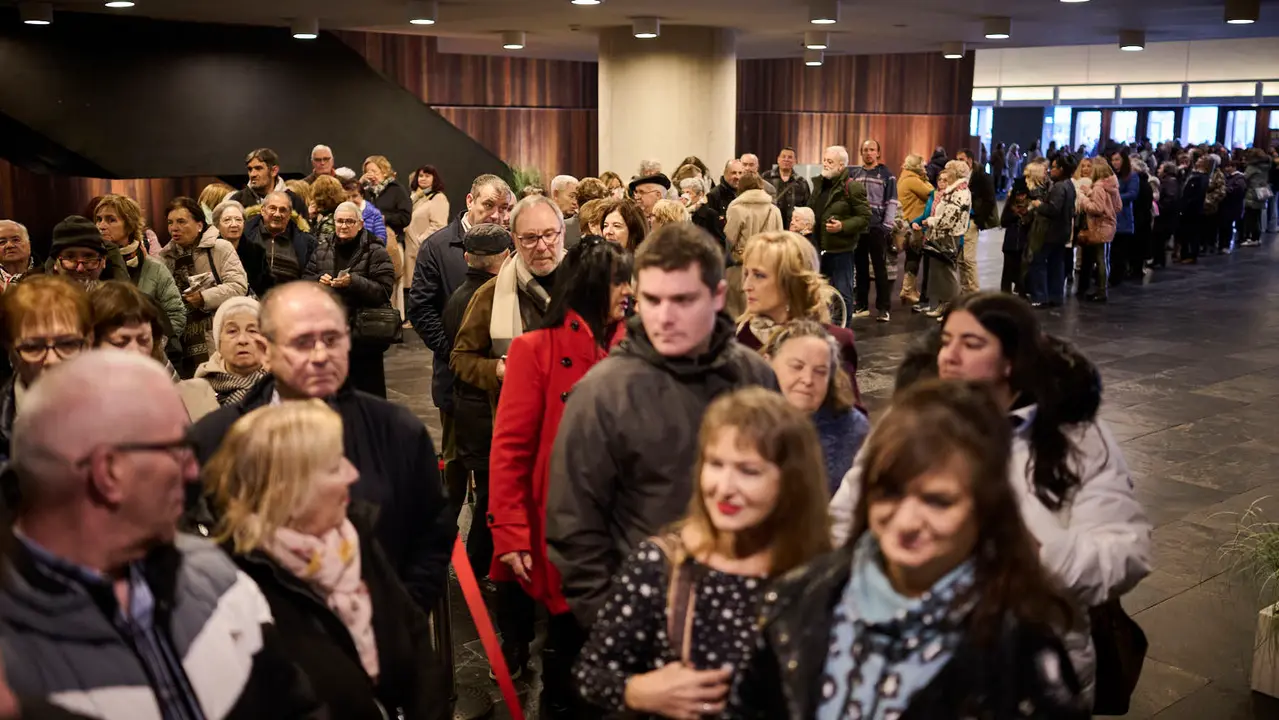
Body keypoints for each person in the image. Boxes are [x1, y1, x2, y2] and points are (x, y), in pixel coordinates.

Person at [832, 292, 1152, 703]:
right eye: (946, 340)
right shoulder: (910, 421)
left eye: (972, 344)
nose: (949, 355)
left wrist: (1034, 558)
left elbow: (1127, 551)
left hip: (1032, 668)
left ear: (1011, 362)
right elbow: (843, 517)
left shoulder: (1073, 435)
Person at [0, 350, 324, 719]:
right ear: (109, 472)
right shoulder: (13, 663)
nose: (191, 472)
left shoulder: (218, 583)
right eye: (177, 449)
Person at [756, 380, 1087, 720]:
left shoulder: (1023, 653)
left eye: (937, 501)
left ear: (985, 509)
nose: (907, 521)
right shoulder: (799, 597)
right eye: (889, 493)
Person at [546, 223, 778, 628]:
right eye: (651, 300)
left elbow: (783, 494)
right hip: (646, 620)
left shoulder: (756, 376)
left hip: (748, 613)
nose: (664, 317)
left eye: (683, 300)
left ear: (719, 296)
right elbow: (574, 527)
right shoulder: (602, 394)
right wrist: (619, 634)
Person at [190, 282, 455, 614]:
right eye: (301, 342)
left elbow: (431, 528)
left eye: (332, 340)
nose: (319, 356)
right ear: (266, 350)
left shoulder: (396, 430)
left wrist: (403, 613)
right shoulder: (217, 436)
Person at [574, 386, 829, 718]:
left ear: (792, 482)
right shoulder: (662, 566)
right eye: (715, 463)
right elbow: (590, 674)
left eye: (748, 471)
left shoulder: (822, 576)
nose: (723, 488)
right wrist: (635, 691)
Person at [205, 401, 446, 720]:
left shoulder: (351, 536)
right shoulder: (239, 589)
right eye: (334, 467)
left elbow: (414, 639)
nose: (352, 474)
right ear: (286, 491)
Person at [488, 239, 633, 717]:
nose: (628, 291)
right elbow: (510, 448)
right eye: (619, 280)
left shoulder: (638, 347)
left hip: (631, 528)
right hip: (564, 527)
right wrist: (510, 532)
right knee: (567, 656)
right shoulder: (536, 349)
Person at [409, 174, 514, 458]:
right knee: (456, 463)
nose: (496, 214)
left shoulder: (512, 246)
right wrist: (455, 353)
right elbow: (420, 308)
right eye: (489, 205)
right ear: (470, 200)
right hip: (454, 379)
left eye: (504, 208)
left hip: (504, 379)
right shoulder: (438, 247)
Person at [440, 224, 511, 587]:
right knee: (488, 495)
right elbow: (464, 357)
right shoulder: (487, 297)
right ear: (503, 258)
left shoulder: (458, 295)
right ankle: (478, 564)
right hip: (482, 407)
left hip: (467, 406)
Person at [735, 231, 862, 405]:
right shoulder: (738, 340)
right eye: (746, 274)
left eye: (759, 275)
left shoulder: (834, 342)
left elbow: (851, 420)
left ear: (792, 282)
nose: (746, 286)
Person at [761, 320, 869, 496]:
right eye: (797, 367)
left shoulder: (853, 429)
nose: (808, 379)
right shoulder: (742, 421)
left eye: (820, 371)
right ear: (768, 363)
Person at [88, 280, 219, 421]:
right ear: (92, 344)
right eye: (120, 343)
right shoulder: (78, 405)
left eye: (143, 340)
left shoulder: (189, 393)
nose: (135, 351)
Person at [0, 276, 92, 473]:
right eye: (33, 347)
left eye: (67, 344)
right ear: (10, 349)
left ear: (87, 343)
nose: (51, 360)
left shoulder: (121, 417)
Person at [304, 202, 396, 398]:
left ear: (360, 224)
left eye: (349, 221)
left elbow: (384, 290)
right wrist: (317, 282)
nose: (343, 226)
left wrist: (354, 282)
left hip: (365, 336)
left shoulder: (375, 250)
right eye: (339, 221)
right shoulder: (322, 248)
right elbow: (305, 282)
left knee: (367, 397)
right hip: (330, 335)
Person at [157, 197, 250, 376]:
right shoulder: (163, 258)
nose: (174, 228)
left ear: (199, 225)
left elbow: (239, 286)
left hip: (218, 333)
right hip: (182, 341)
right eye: (170, 222)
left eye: (181, 222)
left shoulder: (220, 248)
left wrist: (204, 298)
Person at [91, 195, 187, 342]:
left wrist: (151, 346)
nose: (102, 226)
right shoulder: (90, 268)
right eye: (99, 219)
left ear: (129, 225)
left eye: (111, 220)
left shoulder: (154, 268)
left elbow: (176, 314)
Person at [810, 145, 871, 320]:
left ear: (841, 166)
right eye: (824, 160)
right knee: (819, 294)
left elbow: (865, 217)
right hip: (818, 248)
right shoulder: (819, 185)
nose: (825, 164)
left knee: (843, 294)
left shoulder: (852, 188)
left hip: (841, 251)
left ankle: (844, 331)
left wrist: (842, 226)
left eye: (830, 162)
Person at [847, 140, 899, 322]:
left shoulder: (887, 175)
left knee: (879, 269)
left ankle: (883, 308)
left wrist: (887, 226)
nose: (868, 153)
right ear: (861, 153)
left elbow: (892, 201)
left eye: (872, 150)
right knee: (860, 269)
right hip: (858, 228)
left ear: (878, 153)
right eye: (865, 150)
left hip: (877, 228)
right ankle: (861, 305)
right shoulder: (854, 174)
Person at [912, 162, 970, 318]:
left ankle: (954, 311)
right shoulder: (952, 191)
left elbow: (948, 220)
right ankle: (943, 306)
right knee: (939, 275)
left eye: (949, 171)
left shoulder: (960, 193)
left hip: (949, 238)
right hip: (939, 237)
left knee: (948, 275)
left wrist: (930, 221)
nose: (946, 174)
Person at [725, 172, 784, 319]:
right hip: (768, 268)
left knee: (737, 314)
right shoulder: (774, 210)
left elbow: (729, 239)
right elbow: (780, 239)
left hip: (741, 268)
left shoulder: (736, 209)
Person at [194, 296, 268, 407]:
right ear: (218, 340)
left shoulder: (286, 386)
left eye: (252, 331)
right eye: (232, 331)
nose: (242, 340)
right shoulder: (197, 393)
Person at [1027, 155, 1077, 307]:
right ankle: (1055, 296)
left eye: (1054, 167)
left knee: (1039, 262)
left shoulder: (1059, 186)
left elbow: (1054, 209)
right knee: (1057, 263)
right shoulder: (1069, 185)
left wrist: (1038, 205)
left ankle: (1040, 296)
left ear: (1061, 169)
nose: (1051, 170)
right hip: (1063, 231)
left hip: (1051, 232)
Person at [244, 191, 318, 286]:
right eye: (272, 208)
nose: (277, 214)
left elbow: (309, 277)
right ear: (263, 210)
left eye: (283, 210)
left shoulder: (307, 243)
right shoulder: (244, 235)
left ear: (290, 214)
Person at [1076, 158, 1120, 302]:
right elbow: (1118, 206)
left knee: (1101, 260)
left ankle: (1101, 291)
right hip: (1110, 225)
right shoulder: (1112, 186)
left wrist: (1084, 199)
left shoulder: (1098, 187)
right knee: (1104, 259)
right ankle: (1102, 289)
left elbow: (1096, 209)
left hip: (1100, 226)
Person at [212, 199, 272, 297]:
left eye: (238, 219)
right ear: (217, 225)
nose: (234, 224)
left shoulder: (257, 251)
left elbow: (266, 287)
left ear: (244, 223)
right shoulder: (210, 250)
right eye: (227, 220)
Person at [956, 147, 996, 294]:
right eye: (957, 160)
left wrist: (979, 220)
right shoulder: (956, 178)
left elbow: (989, 200)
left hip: (972, 221)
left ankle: (974, 292)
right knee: (960, 259)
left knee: (968, 259)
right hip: (958, 223)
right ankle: (965, 289)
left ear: (970, 161)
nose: (958, 163)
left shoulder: (982, 177)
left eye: (962, 160)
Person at [897, 154, 934, 307]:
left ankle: (910, 289)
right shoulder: (912, 180)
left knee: (913, 257)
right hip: (914, 224)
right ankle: (907, 290)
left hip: (911, 222)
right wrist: (926, 179)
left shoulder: (906, 177)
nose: (925, 168)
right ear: (917, 167)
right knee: (913, 257)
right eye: (923, 166)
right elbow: (931, 193)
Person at [229, 147, 309, 217]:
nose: (252, 174)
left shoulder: (294, 201)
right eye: (250, 169)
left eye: (258, 168)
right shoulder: (237, 201)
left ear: (274, 171)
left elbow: (305, 231)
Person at [361, 155, 414, 243]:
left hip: (392, 240)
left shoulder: (396, 189)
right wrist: (360, 182)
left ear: (384, 172)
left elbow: (405, 217)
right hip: (368, 241)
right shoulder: (365, 191)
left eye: (374, 171)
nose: (370, 175)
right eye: (367, 172)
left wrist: (385, 218)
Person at [763, 146, 813, 229]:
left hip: (793, 229)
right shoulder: (766, 178)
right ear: (778, 159)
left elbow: (807, 207)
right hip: (770, 226)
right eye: (783, 156)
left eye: (790, 157)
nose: (786, 159)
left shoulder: (801, 182)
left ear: (795, 161)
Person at [1109, 150, 1141, 281]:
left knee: (1119, 251)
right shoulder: (1112, 175)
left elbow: (1132, 194)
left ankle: (1117, 277)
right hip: (1111, 216)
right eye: (1113, 160)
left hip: (1123, 217)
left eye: (1117, 159)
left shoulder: (1131, 176)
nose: (1115, 162)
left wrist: (1113, 198)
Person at [1177, 157, 1209, 264]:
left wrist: (1188, 204)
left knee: (1192, 232)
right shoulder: (1192, 174)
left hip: (1193, 209)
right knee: (1184, 232)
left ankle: (1191, 254)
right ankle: (1183, 254)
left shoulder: (1202, 178)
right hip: (1186, 207)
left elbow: (1198, 195)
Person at [1241, 147, 1272, 247]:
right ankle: (1257, 238)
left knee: (1250, 217)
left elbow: (1244, 178)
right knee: (1257, 216)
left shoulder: (1252, 167)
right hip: (1262, 191)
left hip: (1252, 192)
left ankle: (1252, 238)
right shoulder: (1266, 165)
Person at [1152, 161, 1181, 267]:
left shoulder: (1169, 182)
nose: (1158, 170)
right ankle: (1159, 260)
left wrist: (1159, 207)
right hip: (1166, 216)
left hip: (1165, 217)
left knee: (1159, 238)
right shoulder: (1167, 181)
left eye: (1161, 168)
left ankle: (1158, 260)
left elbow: (1170, 199)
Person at [706, 159, 745, 225]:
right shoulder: (713, 195)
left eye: (740, 173)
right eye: (734, 173)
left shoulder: (745, 193)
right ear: (725, 173)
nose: (738, 177)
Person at [0, 221, 33, 292]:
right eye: (2, 242)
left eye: (16, 240)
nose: (9, 245)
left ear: (29, 244)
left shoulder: (49, 275)